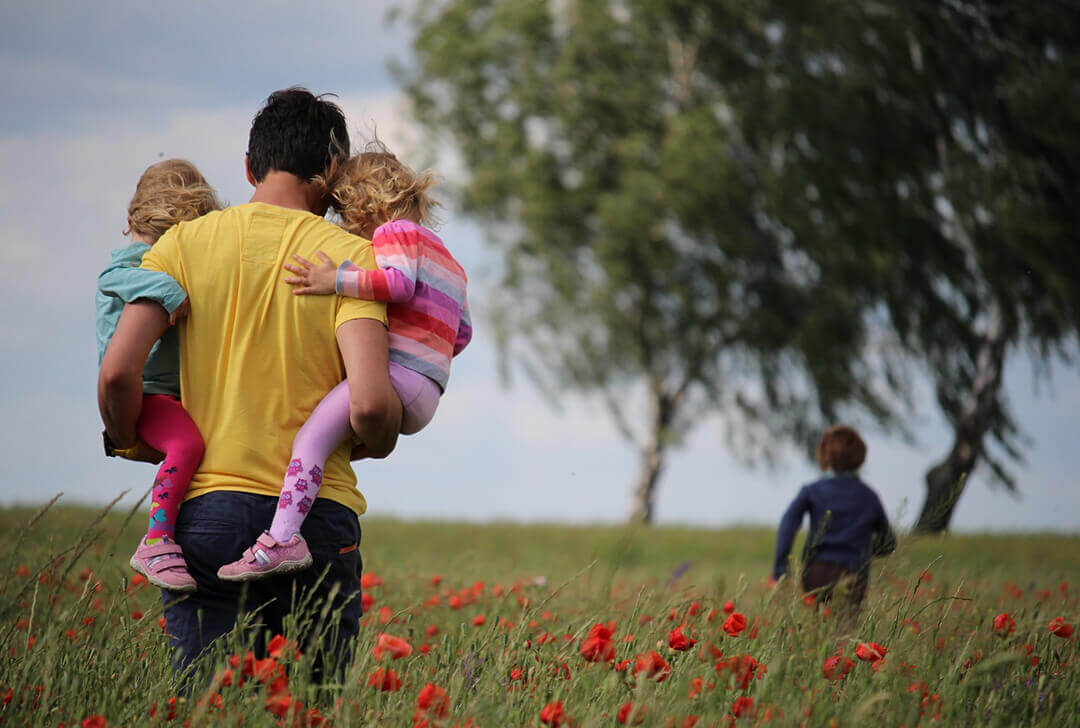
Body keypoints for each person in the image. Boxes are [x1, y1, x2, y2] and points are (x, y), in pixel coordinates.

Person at [98, 87, 402, 674]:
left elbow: (117, 371)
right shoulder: (352, 259)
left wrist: (130, 435)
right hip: (316, 519)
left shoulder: (179, 247)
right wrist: (380, 438)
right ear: (333, 171)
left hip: (205, 512)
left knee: (210, 705)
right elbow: (368, 404)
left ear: (248, 166)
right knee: (312, 709)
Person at [217, 143, 472, 581]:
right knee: (332, 441)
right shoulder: (450, 260)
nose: (346, 225)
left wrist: (334, 279)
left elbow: (397, 284)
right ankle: (294, 518)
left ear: (366, 203)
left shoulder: (395, 234)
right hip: (428, 389)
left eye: (345, 212)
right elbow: (462, 333)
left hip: (398, 377)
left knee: (309, 440)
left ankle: (281, 539)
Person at [96, 159, 221, 592]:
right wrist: (169, 290)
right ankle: (157, 539)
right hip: (147, 393)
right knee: (187, 444)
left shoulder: (158, 257)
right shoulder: (138, 261)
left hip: (165, 393)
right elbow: (112, 277)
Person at [771, 425, 896, 612]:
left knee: (818, 629)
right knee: (845, 633)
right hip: (853, 572)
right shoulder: (869, 496)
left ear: (823, 455)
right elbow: (888, 543)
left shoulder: (812, 491)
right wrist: (863, 551)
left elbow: (788, 524)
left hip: (815, 571)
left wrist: (781, 570)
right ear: (859, 458)